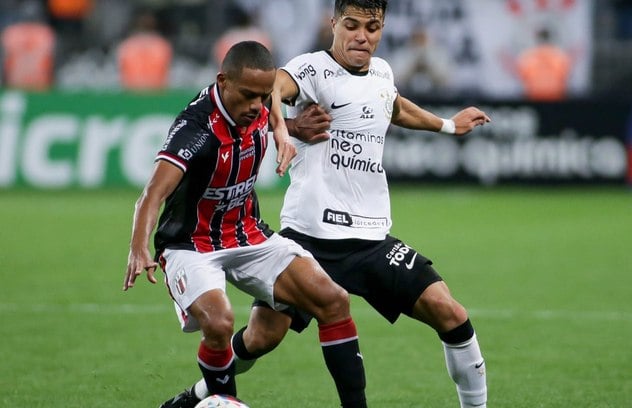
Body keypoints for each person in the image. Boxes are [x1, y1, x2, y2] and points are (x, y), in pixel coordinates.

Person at [163, 1, 490, 407]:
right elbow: (275, 90)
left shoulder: (383, 71)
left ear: (382, 28)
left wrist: (448, 125)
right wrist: (283, 128)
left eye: (372, 27)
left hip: (370, 240)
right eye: (351, 25)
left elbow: (393, 105)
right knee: (262, 337)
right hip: (308, 238)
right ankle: (199, 394)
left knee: (451, 313)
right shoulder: (311, 69)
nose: (361, 36)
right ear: (334, 24)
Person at [123, 41, 367, 408]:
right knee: (220, 322)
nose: (257, 105)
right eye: (249, 95)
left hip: (249, 233)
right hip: (192, 245)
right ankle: (224, 402)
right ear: (223, 81)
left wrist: (295, 127)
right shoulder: (196, 128)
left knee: (331, 301)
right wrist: (139, 247)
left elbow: (270, 118)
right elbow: (152, 194)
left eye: (264, 96)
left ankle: (196, 398)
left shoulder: (255, 105)